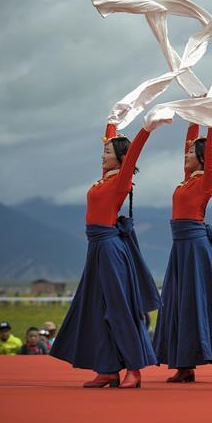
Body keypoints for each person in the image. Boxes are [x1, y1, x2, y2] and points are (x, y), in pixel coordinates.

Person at [50, 116, 165, 389]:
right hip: (96, 249)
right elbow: (111, 141)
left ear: (121, 158)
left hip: (111, 250)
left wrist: (146, 129)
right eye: (103, 151)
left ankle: (134, 369)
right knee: (95, 309)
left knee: (118, 310)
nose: (102, 156)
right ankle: (108, 369)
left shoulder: (120, 182)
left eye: (107, 152)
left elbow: (133, 151)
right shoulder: (105, 180)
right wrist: (112, 120)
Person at [153, 122, 212, 384]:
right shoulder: (186, 180)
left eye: (191, 153)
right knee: (179, 304)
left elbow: (210, 149)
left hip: (198, 251)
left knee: (210, 304)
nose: (186, 155)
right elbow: (190, 142)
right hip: (180, 250)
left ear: (204, 158)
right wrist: (194, 114)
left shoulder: (206, 181)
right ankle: (184, 364)